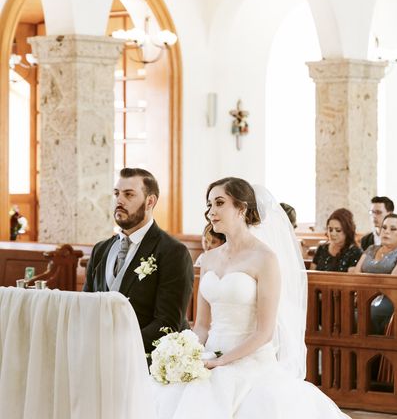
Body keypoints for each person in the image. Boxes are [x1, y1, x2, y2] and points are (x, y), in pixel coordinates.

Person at [152, 178, 348, 418]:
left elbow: (264, 333)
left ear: (242, 208)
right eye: (209, 205)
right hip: (210, 356)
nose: (211, 212)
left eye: (220, 203)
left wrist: (221, 362)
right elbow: (202, 325)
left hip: (250, 361)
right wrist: (185, 354)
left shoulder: (265, 259)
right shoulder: (209, 259)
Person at [83, 168, 194, 354]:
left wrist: (118, 348)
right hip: (99, 356)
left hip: (146, 361)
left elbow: (167, 324)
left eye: (129, 195)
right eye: (117, 193)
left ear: (150, 201)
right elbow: (86, 307)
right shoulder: (100, 250)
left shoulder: (173, 252)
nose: (119, 200)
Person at [351, 213, 397, 334]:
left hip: (389, 298)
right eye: (384, 228)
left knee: (364, 314)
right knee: (341, 311)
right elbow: (356, 274)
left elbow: (391, 281)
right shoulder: (371, 249)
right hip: (362, 294)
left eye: (393, 229)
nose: (386, 232)